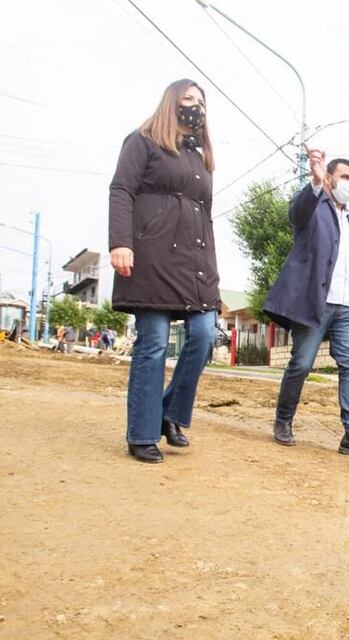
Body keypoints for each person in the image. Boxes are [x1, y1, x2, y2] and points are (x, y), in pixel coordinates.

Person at [108, 79, 220, 464]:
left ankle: (170, 414)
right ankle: (141, 433)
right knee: (153, 343)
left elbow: (203, 218)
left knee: (205, 335)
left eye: (201, 101)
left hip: (195, 264)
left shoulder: (200, 157)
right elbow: (121, 189)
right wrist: (120, 242)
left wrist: (212, 271)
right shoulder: (142, 141)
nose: (195, 106)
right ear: (171, 102)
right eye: (188, 98)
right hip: (151, 257)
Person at [263, 153, 349, 460]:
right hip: (315, 302)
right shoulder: (313, 207)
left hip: (347, 306)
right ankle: (283, 419)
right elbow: (295, 213)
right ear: (330, 177)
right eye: (346, 177)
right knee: (302, 364)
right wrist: (315, 183)